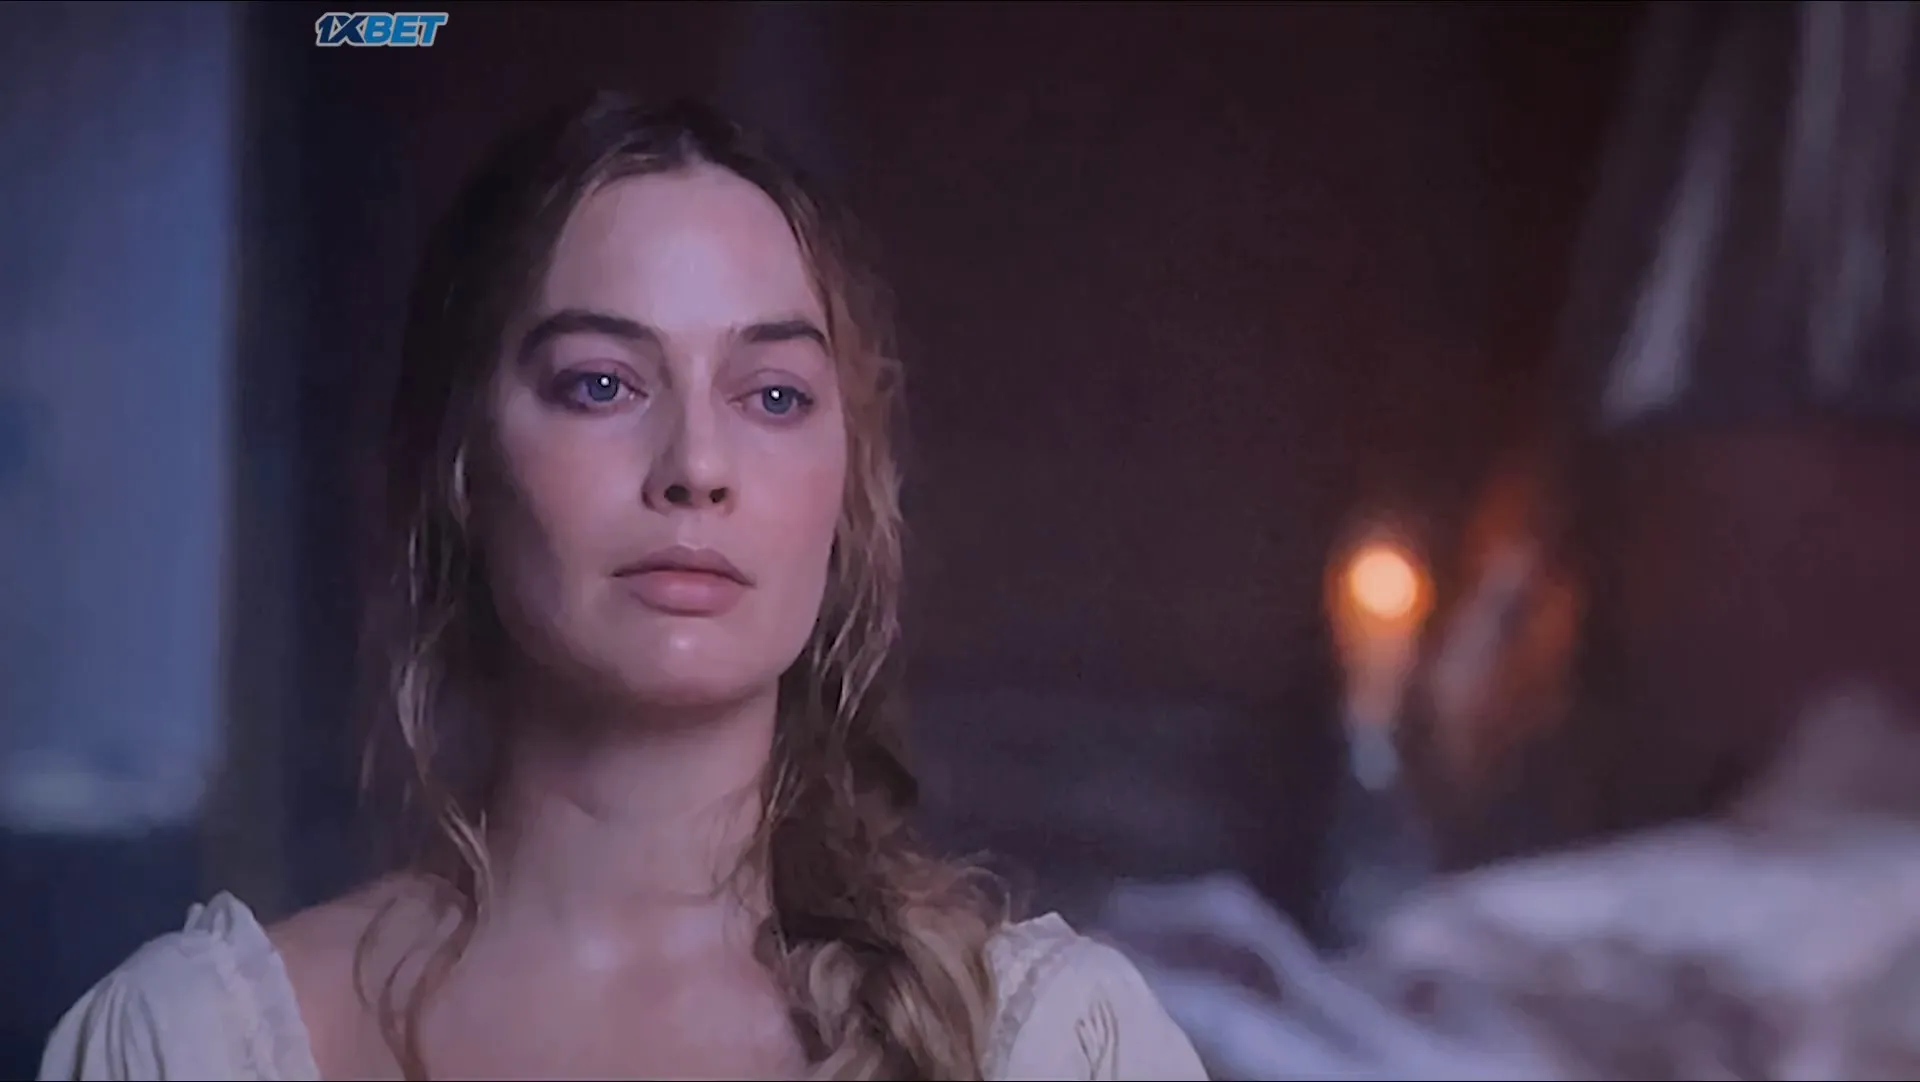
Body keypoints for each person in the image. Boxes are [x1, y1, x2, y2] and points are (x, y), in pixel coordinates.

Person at [37, 93, 1207, 1081]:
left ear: (847, 486)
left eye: (774, 396)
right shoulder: (198, 1043)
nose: (696, 466)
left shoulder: (1051, 1045)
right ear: (462, 465)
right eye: (601, 384)